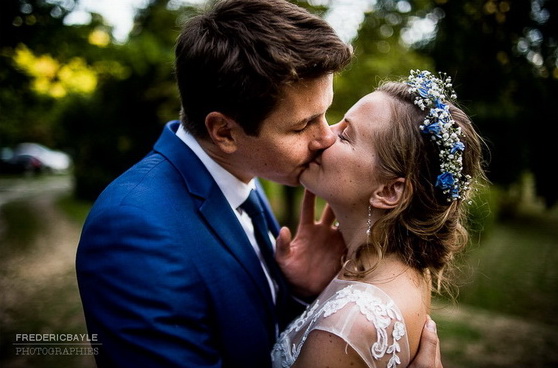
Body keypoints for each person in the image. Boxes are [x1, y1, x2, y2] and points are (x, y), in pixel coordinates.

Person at [76, 0, 442, 366]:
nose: (325, 138)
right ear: (224, 132)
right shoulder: (133, 229)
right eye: (301, 126)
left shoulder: (243, 174)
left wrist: (301, 295)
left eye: (325, 114)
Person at [272, 70, 487, 367]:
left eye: (345, 135)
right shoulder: (404, 270)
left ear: (389, 191)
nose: (324, 135)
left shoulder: (349, 326)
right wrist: (307, 294)